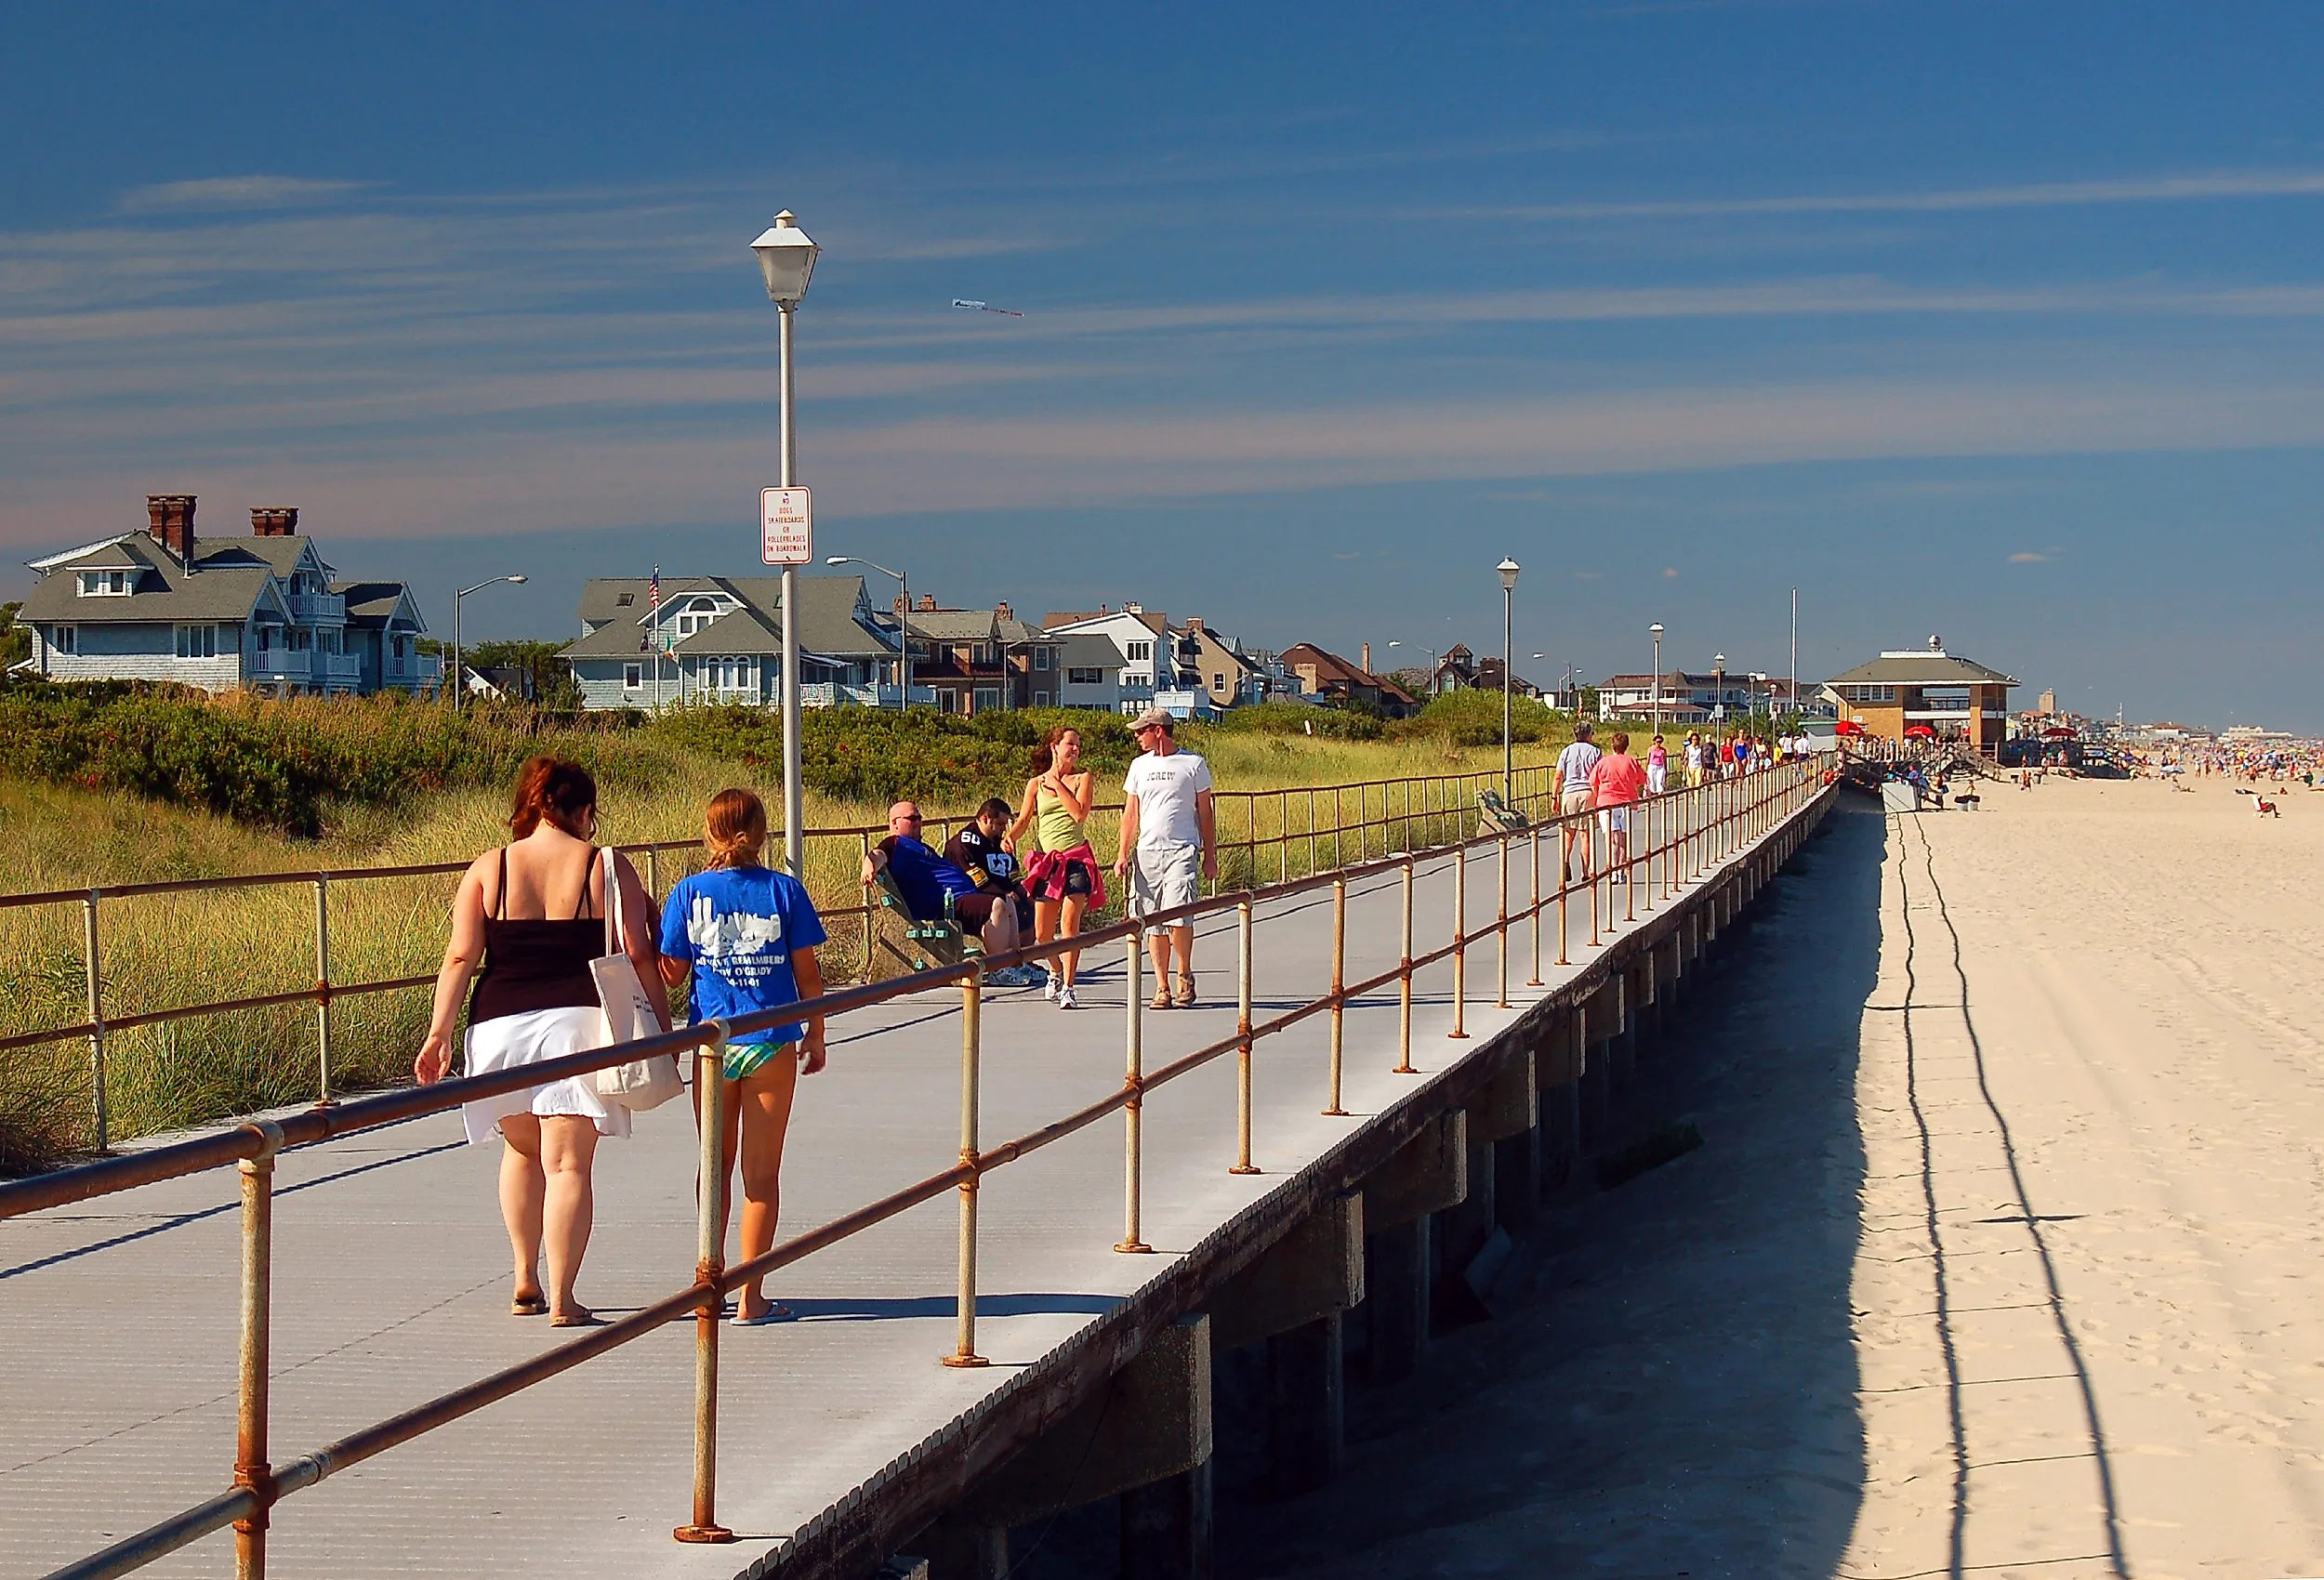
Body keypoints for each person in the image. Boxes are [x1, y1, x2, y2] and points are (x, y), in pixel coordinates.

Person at [415, 756, 669, 1327]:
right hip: (579, 1023)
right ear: (583, 812)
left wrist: (438, 1035)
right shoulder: (605, 865)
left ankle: (524, 1278)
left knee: (522, 1151)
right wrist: (663, 1027)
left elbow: (461, 956)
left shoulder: (490, 867)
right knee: (569, 1165)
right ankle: (563, 1297)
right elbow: (638, 953)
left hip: (500, 1026)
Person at [656, 789, 826, 1326]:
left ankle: (708, 1281)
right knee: (761, 1175)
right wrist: (816, 1033)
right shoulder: (786, 890)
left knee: (715, 1167)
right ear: (761, 832)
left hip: (712, 1044)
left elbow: (672, 972)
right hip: (771, 1037)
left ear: (709, 833)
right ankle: (751, 1299)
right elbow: (808, 976)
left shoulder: (688, 892)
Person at [860, 801, 1036, 978]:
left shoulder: (922, 847)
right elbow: (878, 854)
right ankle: (999, 970)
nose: (918, 823)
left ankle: (1016, 964)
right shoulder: (894, 843)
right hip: (941, 905)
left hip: (958, 898)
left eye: (919, 818)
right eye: (912, 818)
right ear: (894, 823)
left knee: (1007, 902)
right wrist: (869, 866)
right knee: (996, 904)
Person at [1114, 708, 1214, 1009]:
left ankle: (1184, 972)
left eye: (1141, 730)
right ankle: (1161, 985)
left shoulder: (1193, 764)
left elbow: (1205, 812)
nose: (1136, 736)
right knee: (1152, 920)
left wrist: (1210, 854)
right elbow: (1131, 813)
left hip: (1182, 848)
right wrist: (1122, 853)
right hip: (1147, 852)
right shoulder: (1138, 766)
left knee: (1178, 912)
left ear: (1158, 730)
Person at [1008, 726, 1104, 1009]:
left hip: (1076, 860)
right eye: (1070, 744)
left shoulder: (1083, 778)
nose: (1075, 749)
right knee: (1042, 935)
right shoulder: (1035, 784)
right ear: (1055, 746)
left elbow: (1078, 813)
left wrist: (1059, 784)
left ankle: (1070, 988)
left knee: (1069, 928)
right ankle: (1056, 971)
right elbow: (1025, 819)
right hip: (1048, 862)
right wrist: (1011, 837)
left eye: (1078, 745)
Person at [945, 798, 1044, 989]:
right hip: (970, 895)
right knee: (1004, 902)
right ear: (985, 818)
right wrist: (1006, 892)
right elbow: (977, 880)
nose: (1003, 829)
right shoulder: (964, 843)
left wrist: (1022, 891)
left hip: (999, 892)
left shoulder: (998, 842)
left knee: (1027, 901)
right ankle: (999, 967)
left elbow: (1012, 870)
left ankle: (1019, 961)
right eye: (999, 824)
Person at [1589, 731, 1649, 882]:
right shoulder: (1631, 761)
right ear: (1626, 746)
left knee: (1611, 839)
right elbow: (1642, 779)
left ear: (1612, 745)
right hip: (1628, 804)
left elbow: (1592, 781)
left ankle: (1612, 871)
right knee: (1623, 839)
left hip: (1607, 803)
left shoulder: (1603, 762)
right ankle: (1621, 872)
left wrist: (1598, 796)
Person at [1552, 720, 1602, 882]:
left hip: (1569, 793)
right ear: (1589, 735)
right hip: (1588, 793)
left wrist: (1554, 797)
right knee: (1585, 835)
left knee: (1568, 833)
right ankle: (1585, 872)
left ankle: (1565, 860)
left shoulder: (1566, 751)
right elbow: (1599, 775)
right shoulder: (1595, 752)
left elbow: (1558, 776)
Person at [1646, 733, 1670, 797]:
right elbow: (1648, 759)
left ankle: (1660, 795)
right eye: (1657, 742)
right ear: (1654, 742)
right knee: (1652, 781)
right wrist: (1647, 768)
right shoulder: (1651, 749)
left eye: (1660, 742)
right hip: (1652, 766)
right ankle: (1653, 795)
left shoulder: (1663, 750)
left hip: (1660, 767)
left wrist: (1665, 769)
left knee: (1659, 781)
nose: (1658, 743)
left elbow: (1664, 760)